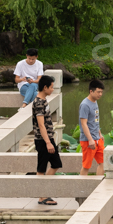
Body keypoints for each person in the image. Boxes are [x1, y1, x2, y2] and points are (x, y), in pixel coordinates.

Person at [33, 75, 61, 205]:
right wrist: (48, 142)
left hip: (47, 138)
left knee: (56, 164)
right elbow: (41, 124)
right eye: (51, 87)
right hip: (43, 140)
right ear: (45, 87)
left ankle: (43, 193)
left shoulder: (43, 101)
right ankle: (42, 196)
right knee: (42, 168)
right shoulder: (39, 102)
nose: (52, 90)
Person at [79, 79, 106, 176]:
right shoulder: (85, 105)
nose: (100, 94)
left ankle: (99, 184)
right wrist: (90, 139)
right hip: (88, 140)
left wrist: (99, 133)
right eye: (98, 92)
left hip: (97, 139)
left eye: (101, 92)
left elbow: (94, 120)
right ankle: (81, 188)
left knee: (103, 162)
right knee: (86, 166)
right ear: (91, 91)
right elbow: (84, 124)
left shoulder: (95, 102)